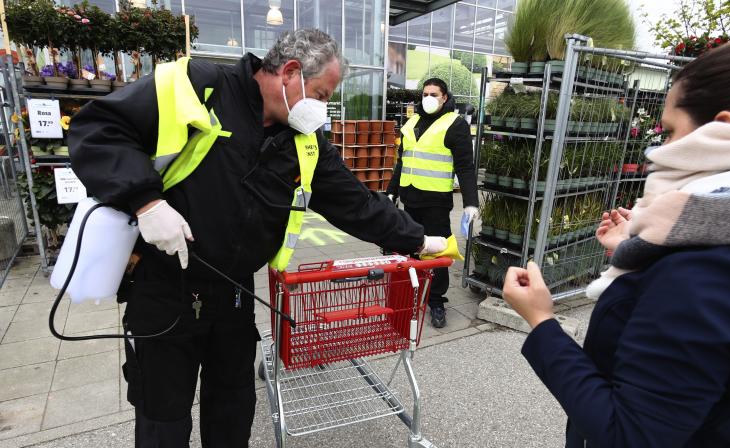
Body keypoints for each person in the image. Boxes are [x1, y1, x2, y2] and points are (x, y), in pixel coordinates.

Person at [67, 29, 448, 447]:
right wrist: (146, 202)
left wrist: (418, 239)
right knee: (163, 416)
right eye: (321, 94)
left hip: (233, 295)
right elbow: (98, 128)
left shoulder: (304, 139)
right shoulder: (196, 86)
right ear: (289, 73)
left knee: (232, 408)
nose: (321, 108)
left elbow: (353, 203)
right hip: (164, 289)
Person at [502, 33, 730, 447]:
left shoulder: (710, 271)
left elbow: (628, 434)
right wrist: (645, 255)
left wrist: (541, 321)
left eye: (672, 132)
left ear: (723, 132)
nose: (658, 150)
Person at [386, 78, 479, 328]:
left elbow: (465, 168)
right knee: (409, 247)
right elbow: (402, 162)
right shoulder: (412, 122)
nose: (428, 97)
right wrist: (391, 193)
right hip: (410, 197)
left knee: (437, 251)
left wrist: (471, 203)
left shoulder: (454, 125)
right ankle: (410, 294)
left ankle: (436, 300)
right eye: (425, 93)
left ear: (444, 98)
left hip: (436, 202)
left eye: (434, 94)